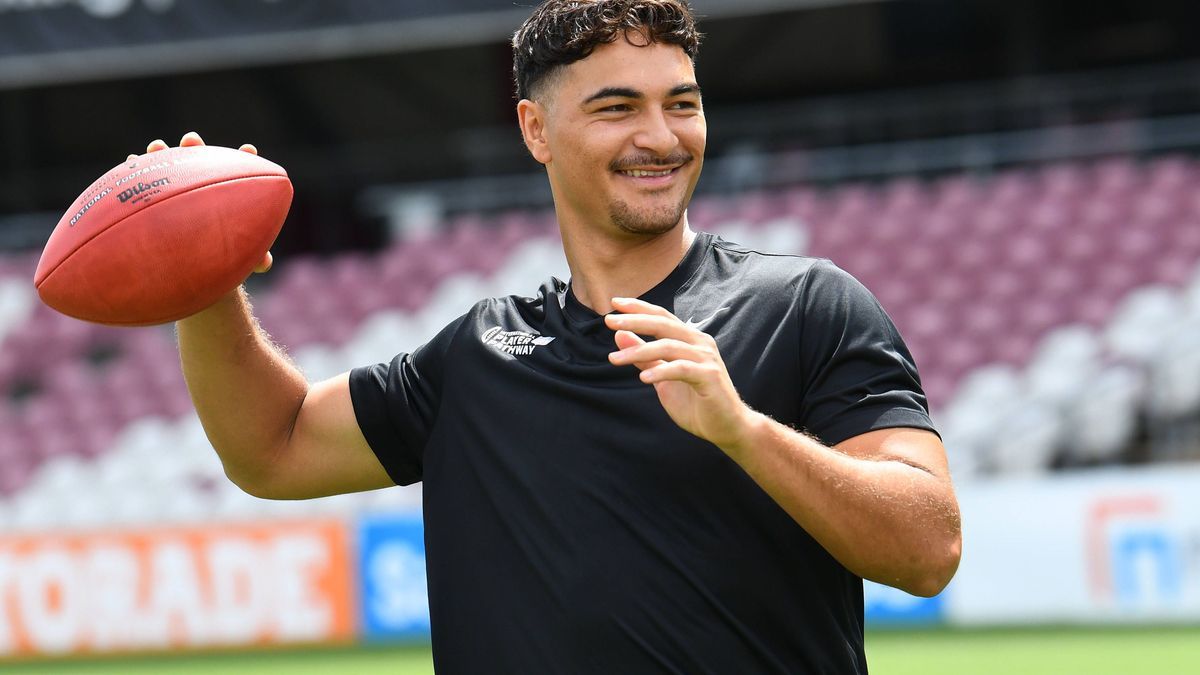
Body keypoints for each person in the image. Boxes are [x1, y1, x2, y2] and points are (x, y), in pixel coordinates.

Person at [146, 0, 961, 671]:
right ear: (536, 130)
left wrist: (742, 432)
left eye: (682, 102)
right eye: (618, 107)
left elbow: (929, 548)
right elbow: (272, 447)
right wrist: (201, 282)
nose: (662, 136)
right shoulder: (475, 354)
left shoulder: (807, 304)